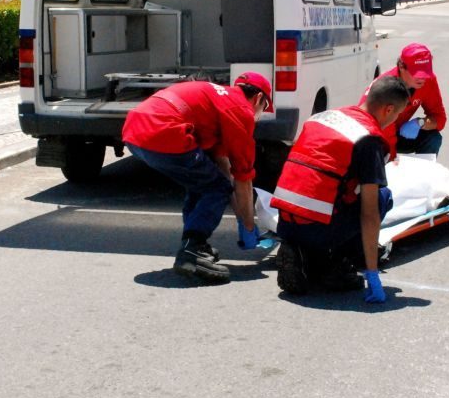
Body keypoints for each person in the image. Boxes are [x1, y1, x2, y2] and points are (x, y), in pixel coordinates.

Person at [122, 72, 272, 284]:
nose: (259, 114)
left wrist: (242, 218)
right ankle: (192, 249)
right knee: (216, 189)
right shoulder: (241, 111)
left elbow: (223, 167)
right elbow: (243, 179)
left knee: (203, 184)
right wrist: (248, 226)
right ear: (258, 98)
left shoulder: (221, 99)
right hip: (164, 130)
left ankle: (193, 244)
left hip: (134, 130)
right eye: (264, 108)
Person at [272, 76, 409, 302]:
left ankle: (303, 253)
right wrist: (371, 272)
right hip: (317, 228)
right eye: (396, 116)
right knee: (382, 197)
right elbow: (369, 213)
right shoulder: (369, 139)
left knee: (339, 192)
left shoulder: (326, 117)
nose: (394, 121)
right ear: (388, 109)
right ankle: (336, 264)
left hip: (285, 221)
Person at [359, 43, 446, 158]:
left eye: (425, 73)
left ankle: (425, 173)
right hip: (375, 136)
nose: (422, 78)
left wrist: (420, 123)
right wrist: (392, 160)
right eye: (417, 73)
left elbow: (440, 118)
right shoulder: (385, 87)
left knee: (433, 138)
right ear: (401, 66)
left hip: (400, 133)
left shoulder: (429, 81)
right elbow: (373, 126)